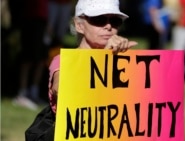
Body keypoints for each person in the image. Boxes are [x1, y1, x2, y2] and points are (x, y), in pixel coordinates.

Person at [25, 0, 137, 140]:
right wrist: (101, 59)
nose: (108, 26)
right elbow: (61, 90)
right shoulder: (62, 60)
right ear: (79, 25)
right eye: (99, 19)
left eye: (115, 21)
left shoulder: (122, 60)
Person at [12, 0, 49, 110]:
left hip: (43, 19)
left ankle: (34, 92)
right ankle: (22, 93)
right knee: (28, 58)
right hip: (30, 18)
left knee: (42, 58)